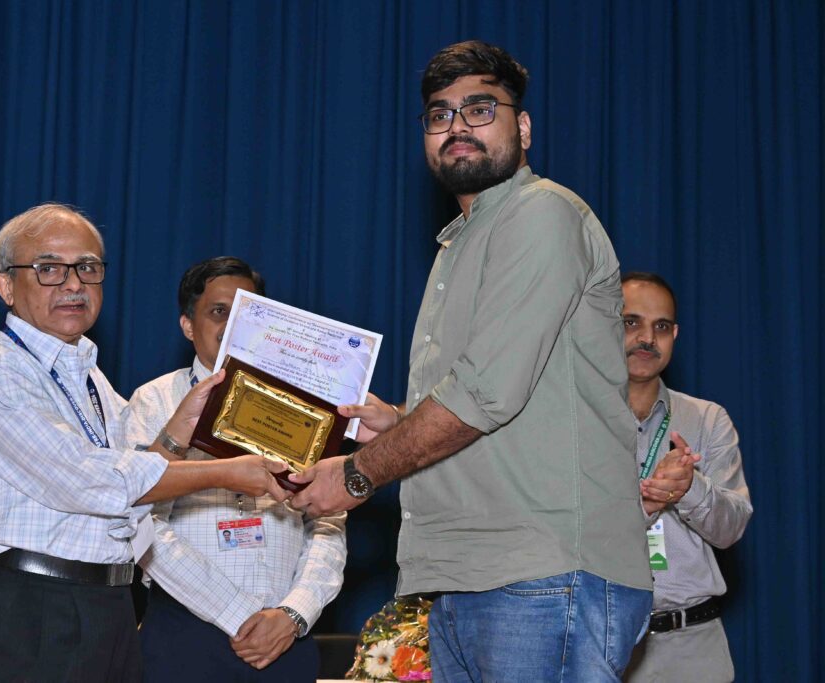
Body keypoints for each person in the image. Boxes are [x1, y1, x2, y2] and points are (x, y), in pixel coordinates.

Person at [291, 40, 652, 680]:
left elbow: (483, 395)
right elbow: (500, 397)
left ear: (524, 127)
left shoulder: (541, 214)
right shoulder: (461, 242)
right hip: (468, 577)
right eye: (439, 114)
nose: (457, 126)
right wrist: (401, 422)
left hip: (544, 572)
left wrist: (355, 475)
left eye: (480, 109)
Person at [0, 205, 288, 682]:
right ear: (6, 286)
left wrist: (177, 431)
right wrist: (226, 472)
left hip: (107, 606)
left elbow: (134, 489)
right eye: (49, 269)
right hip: (30, 609)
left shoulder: (90, 377)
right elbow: (84, 481)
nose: (73, 284)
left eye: (87, 267)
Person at [124, 256, 346, 683]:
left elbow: (329, 520)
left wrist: (295, 612)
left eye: (249, 313)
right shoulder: (154, 401)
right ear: (188, 325)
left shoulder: (306, 408)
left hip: (286, 640)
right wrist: (238, 613)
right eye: (219, 311)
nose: (233, 325)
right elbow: (141, 520)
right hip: (186, 636)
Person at [620, 272, 752, 682]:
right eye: (631, 322)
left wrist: (690, 488)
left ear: (674, 335)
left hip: (693, 645)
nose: (647, 338)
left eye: (661, 327)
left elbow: (732, 529)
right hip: (602, 640)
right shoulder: (571, 419)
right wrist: (644, 505)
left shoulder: (707, 419)